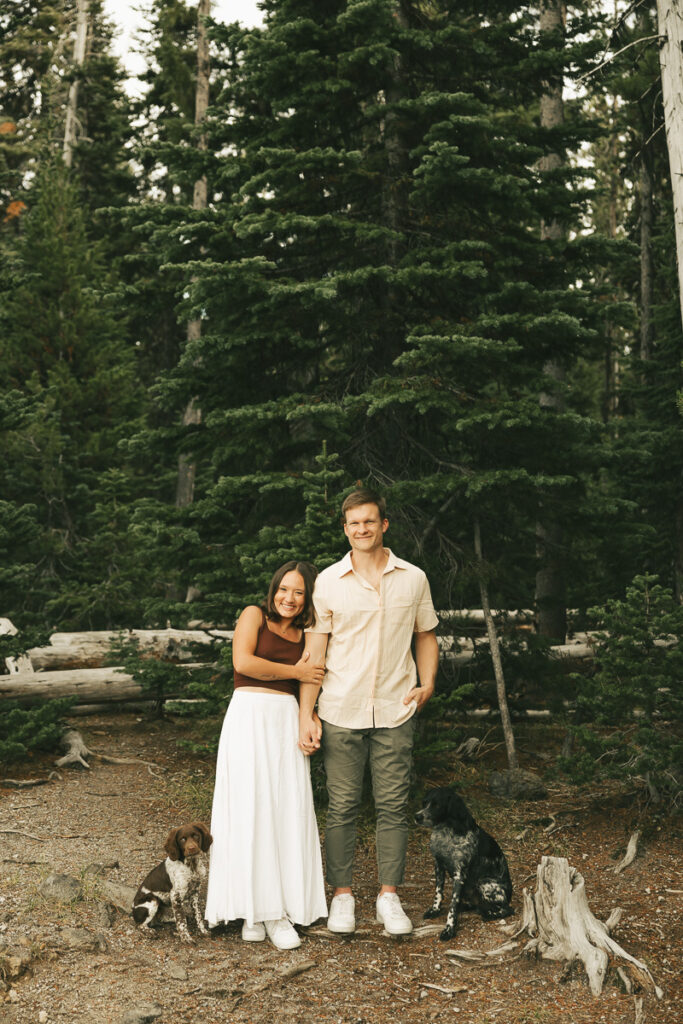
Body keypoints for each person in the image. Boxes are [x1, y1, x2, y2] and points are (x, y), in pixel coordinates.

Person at [298, 489, 439, 936]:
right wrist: (307, 712)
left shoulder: (413, 578)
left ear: (384, 525)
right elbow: (314, 652)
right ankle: (342, 897)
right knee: (341, 807)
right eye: (353, 523)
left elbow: (426, 634)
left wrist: (428, 683)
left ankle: (388, 897)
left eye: (370, 521)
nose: (362, 529)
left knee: (394, 806)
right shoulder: (328, 582)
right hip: (341, 708)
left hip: (396, 710)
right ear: (345, 528)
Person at [205, 561, 328, 950]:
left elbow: (313, 679)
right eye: (283, 589)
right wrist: (295, 671)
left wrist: (310, 716)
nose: (288, 599)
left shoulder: (307, 632)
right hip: (247, 717)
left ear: (307, 597)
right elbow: (243, 663)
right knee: (246, 809)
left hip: (283, 721)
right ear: (273, 589)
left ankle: (278, 910)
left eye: (298, 592)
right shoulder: (253, 615)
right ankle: (252, 908)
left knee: (282, 809)